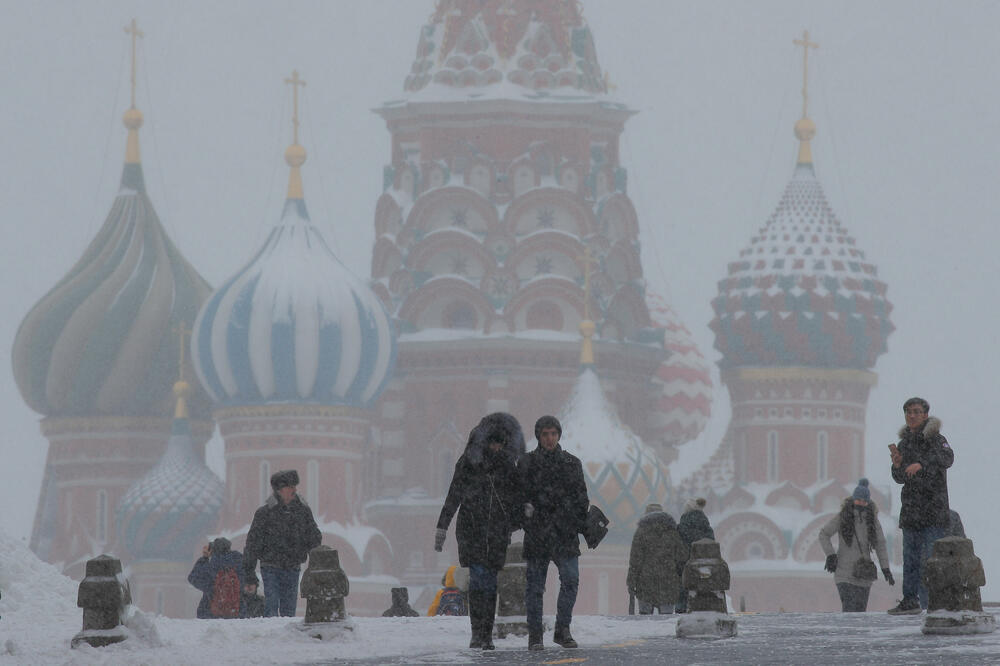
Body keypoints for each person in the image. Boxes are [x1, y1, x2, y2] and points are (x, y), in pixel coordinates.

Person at [434, 413, 524, 650]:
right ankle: (478, 633)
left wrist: (521, 517)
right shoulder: (469, 463)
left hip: (496, 532)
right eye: (493, 443)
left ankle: (486, 634)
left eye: (499, 443)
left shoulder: (507, 467)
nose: (496, 447)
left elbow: (517, 497)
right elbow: (454, 495)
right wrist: (442, 525)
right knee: (478, 581)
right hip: (472, 531)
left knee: (490, 583)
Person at [518, 415, 589, 651]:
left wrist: (570, 519)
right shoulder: (527, 463)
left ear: (559, 435)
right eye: (545, 434)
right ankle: (535, 635)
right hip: (538, 535)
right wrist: (529, 517)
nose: (550, 439)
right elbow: (518, 498)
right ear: (539, 436)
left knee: (570, 580)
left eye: (553, 434)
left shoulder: (571, 463)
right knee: (535, 587)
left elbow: (581, 499)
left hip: (564, 534)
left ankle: (562, 629)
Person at [887, 397, 954, 614]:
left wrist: (921, 464)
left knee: (934, 560)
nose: (912, 415)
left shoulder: (936, 439)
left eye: (916, 412)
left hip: (933, 510)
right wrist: (897, 465)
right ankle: (910, 600)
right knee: (910, 559)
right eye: (908, 412)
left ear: (925, 415)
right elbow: (900, 478)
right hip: (911, 510)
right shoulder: (904, 443)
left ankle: (938, 600)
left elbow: (948, 458)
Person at [243, 469, 322, 617]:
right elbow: (253, 544)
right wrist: (249, 574)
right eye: (290, 487)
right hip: (270, 567)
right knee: (271, 607)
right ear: (279, 490)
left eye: (294, 486)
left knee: (289, 610)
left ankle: (284, 632)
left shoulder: (303, 512)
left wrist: (312, 550)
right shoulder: (265, 513)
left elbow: (314, 537)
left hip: (292, 567)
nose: (294, 490)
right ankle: (272, 631)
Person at [818, 479, 894, 612]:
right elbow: (824, 534)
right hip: (844, 574)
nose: (861, 503)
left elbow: (880, 545)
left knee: (860, 614)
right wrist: (831, 555)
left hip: (863, 575)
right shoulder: (843, 516)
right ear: (853, 499)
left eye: (864, 501)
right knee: (849, 611)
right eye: (858, 500)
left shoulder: (872, 521)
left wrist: (885, 568)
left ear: (868, 502)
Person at [626, 503, 687, 615]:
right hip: (668, 582)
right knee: (666, 620)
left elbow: (635, 561)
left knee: (645, 619)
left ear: (646, 514)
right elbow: (680, 559)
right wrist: (680, 579)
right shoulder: (672, 532)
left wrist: (631, 582)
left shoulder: (641, 532)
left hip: (645, 583)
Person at [187, 537, 246, 619]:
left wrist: (204, 558)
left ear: (213, 550)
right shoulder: (238, 561)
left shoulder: (211, 566)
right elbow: (247, 579)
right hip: (237, 610)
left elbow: (192, 578)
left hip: (210, 611)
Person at [675, 497, 714, 613]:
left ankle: (682, 610)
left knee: (683, 589)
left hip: (685, 564)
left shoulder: (681, 527)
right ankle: (703, 609)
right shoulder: (707, 528)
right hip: (704, 566)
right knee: (702, 589)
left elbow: (677, 547)